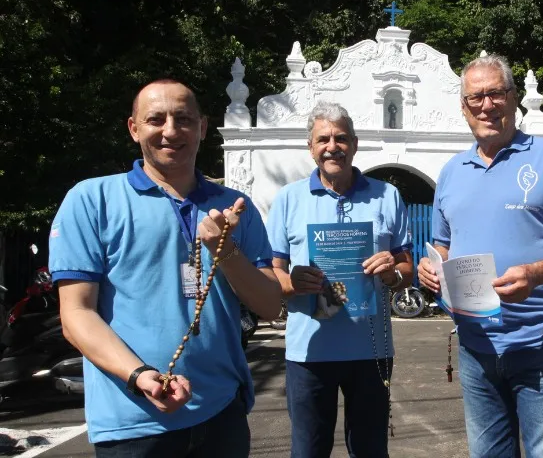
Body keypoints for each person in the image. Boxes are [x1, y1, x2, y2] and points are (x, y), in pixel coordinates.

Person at [49, 79, 283, 456]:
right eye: (156, 119)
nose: (171, 131)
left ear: (203, 128)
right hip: (134, 422)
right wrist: (139, 375)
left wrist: (226, 252)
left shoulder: (235, 206)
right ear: (134, 128)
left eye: (184, 119)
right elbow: (76, 313)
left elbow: (271, 306)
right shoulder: (92, 200)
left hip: (222, 414)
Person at [417, 54, 543, 457]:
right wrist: (430, 267)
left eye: (496, 93)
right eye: (475, 98)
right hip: (475, 346)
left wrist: (535, 274)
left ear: (514, 97)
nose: (486, 105)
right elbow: (442, 245)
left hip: (541, 345)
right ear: (463, 108)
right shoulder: (451, 172)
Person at [266, 101, 413, 457]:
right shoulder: (288, 199)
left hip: (371, 350)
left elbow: (407, 268)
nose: (333, 146)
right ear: (311, 147)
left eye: (341, 138)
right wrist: (291, 283)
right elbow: (272, 273)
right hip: (309, 352)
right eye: (324, 139)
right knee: (309, 450)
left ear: (355, 144)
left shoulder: (387, 195)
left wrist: (392, 273)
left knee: (371, 449)